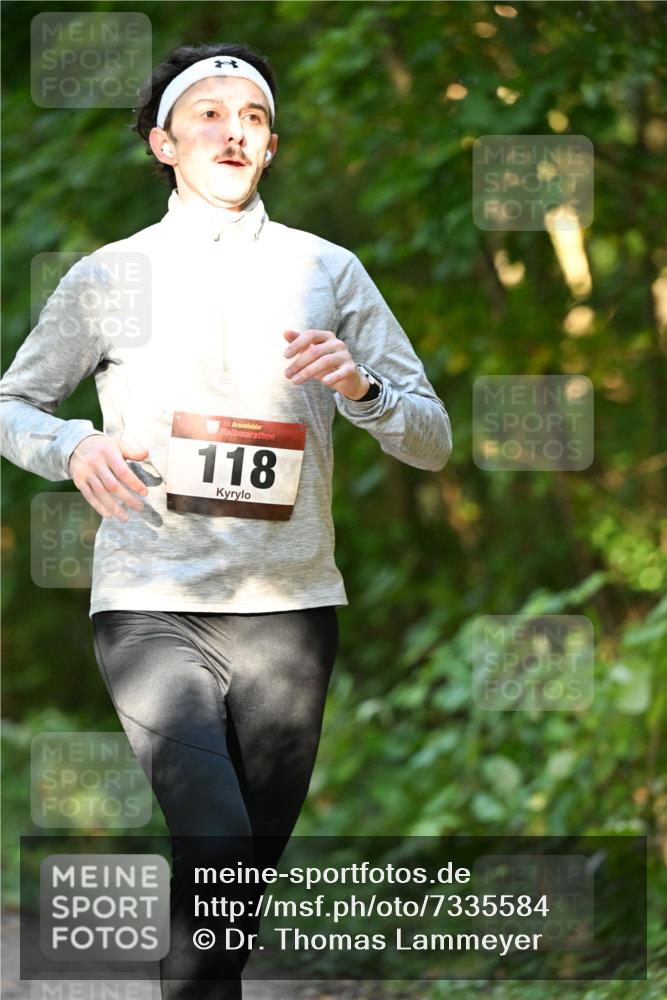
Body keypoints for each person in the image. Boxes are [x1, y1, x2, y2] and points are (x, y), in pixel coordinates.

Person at [0, 41, 452, 999]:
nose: (231, 130)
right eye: (207, 113)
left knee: (235, 880)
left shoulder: (328, 270)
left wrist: (364, 390)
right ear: (164, 143)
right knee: (215, 844)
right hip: (149, 601)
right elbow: (13, 404)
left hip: (290, 609)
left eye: (250, 117)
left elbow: (432, 438)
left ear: (272, 145)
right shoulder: (110, 274)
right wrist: (72, 446)